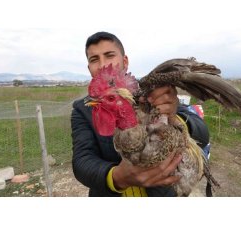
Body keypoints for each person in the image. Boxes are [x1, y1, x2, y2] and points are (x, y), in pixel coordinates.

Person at [71, 31, 209, 197]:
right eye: (94, 59)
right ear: (89, 68)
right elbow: (82, 161)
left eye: (109, 55)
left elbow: (203, 133)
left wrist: (172, 116)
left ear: (125, 61)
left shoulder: (152, 94)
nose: (102, 65)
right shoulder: (83, 108)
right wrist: (118, 178)